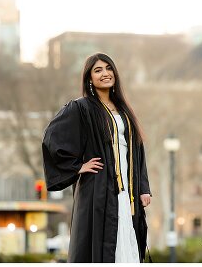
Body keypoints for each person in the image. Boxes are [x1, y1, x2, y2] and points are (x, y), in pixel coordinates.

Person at [42, 54, 151, 263]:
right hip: (98, 189)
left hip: (127, 191)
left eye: (108, 68)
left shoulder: (124, 111)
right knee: (100, 244)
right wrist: (77, 167)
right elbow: (52, 138)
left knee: (125, 241)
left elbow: (137, 150)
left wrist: (143, 187)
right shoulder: (81, 108)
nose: (105, 73)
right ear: (89, 78)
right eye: (98, 70)